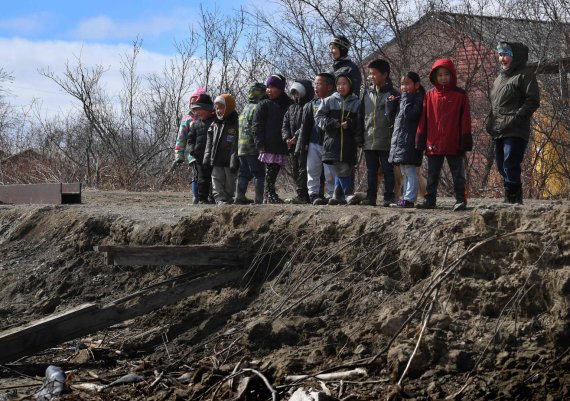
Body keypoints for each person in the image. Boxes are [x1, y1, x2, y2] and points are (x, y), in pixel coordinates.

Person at [486, 42, 540, 204]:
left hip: (516, 129)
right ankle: (510, 195)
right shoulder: (499, 79)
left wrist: (517, 117)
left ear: (515, 57)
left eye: (506, 54)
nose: (502, 58)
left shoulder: (525, 75)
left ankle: (513, 200)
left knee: (511, 162)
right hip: (499, 128)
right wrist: (490, 122)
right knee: (502, 165)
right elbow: (495, 104)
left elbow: (533, 100)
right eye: (500, 54)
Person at [415, 58, 472, 211]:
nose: (443, 78)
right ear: (434, 77)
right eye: (440, 75)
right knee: (432, 173)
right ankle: (430, 200)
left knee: (458, 174)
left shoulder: (460, 95)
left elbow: (465, 119)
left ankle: (461, 200)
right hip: (433, 141)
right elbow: (423, 120)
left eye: (446, 74)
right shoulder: (429, 95)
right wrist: (420, 140)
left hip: (454, 142)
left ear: (452, 75)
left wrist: (465, 140)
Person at [315, 71, 362, 205]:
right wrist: (332, 124)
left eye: (344, 84)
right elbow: (319, 117)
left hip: (348, 142)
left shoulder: (357, 102)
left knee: (345, 167)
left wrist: (351, 124)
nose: (341, 86)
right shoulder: (329, 100)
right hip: (332, 141)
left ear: (351, 85)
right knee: (341, 168)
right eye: (339, 84)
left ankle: (337, 196)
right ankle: (347, 194)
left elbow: (359, 121)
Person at [357, 59, 399, 206]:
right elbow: (361, 116)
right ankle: (371, 197)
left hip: (386, 140)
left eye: (374, 74)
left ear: (384, 75)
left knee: (388, 170)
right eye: (370, 74)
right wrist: (359, 136)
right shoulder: (366, 94)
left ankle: (389, 197)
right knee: (371, 171)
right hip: (369, 139)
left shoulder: (393, 94)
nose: (371, 76)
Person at [253, 74, 293, 204]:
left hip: (281, 143)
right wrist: (260, 144)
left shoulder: (288, 104)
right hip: (268, 144)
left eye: (272, 87)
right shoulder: (263, 104)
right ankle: (269, 193)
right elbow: (257, 125)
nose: (269, 90)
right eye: (268, 87)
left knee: (275, 169)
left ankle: (268, 193)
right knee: (270, 169)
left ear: (280, 89)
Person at [388, 72, 425, 208]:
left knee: (410, 171)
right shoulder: (402, 99)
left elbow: (411, 115)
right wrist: (392, 104)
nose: (403, 87)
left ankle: (409, 198)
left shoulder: (417, 98)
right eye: (402, 84)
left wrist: (406, 99)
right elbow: (393, 119)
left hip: (410, 141)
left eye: (407, 83)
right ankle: (405, 198)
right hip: (400, 142)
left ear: (416, 85)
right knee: (404, 171)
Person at [299, 72, 336, 205]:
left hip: (330, 143)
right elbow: (305, 126)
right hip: (313, 142)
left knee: (330, 172)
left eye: (319, 84)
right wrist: (302, 144)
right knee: (312, 169)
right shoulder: (311, 104)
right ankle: (314, 194)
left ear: (329, 86)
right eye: (315, 84)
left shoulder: (335, 102)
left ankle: (333, 194)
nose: (316, 87)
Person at [282, 79, 314, 204]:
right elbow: (284, 124)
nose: (296, 96)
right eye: (294, 93)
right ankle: (301, 194)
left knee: (303, 169)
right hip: (292, 145)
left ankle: (304, 195)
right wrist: (287, 138)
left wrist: (296, 136)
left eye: (298, 92)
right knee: (296, 169)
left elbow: (306, 124)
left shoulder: (310, 105)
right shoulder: (291, 108)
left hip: (305, 143)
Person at [203, 94, 239, 205]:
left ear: (229, 107)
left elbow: (237, 143)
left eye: (221, 107)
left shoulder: (236, 123)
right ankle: (219, 198)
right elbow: (209, 142)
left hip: (229, 159)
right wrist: (207, 156)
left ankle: (228, 197)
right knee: (216, 178)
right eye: (217, 108)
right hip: (216, 158)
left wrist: (234, 159)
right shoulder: (215, 124)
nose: (218, 111)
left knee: (230, 181)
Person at [173, 87, 207, 202]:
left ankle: (206, 196)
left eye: (196, 103)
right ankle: (196, 196)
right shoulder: (187, 119)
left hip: (207, 152)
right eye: (191, 103)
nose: (193, 107)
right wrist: (179, 154)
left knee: (207, 175)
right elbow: (181, 138)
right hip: (193, 153)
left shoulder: (207, 118)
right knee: (196, 174)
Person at [236, 83, 267, 204]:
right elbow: (259, 128)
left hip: (241, 147)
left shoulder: (245, 109)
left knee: (243, 173)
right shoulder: (258, 108)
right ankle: (259, 199)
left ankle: (239, 196)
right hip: (253, 147)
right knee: (259, 173)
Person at [187, 94, 216, 204]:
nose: (197, 112)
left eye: (200, 109)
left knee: (214, 178)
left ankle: (213, 197)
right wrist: (192, 149)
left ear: (208, 108)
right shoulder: (195, 124)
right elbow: (190, 138)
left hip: (213, 156)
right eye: (195, 110)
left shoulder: (216, 122)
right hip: (199, 156)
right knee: (202, 179)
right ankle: (202, 199)